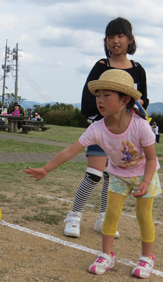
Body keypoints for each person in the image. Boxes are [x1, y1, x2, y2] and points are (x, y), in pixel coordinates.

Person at [24, 69, 161, 279]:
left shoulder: (141, 126)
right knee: (111, 214)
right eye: (98, 95)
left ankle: (146, 258)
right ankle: (107, 255)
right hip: (118, 176)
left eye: (107, 95)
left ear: (124, 99)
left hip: (144, 176)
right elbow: (71, 150)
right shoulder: (97, 128)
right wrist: (46, 169)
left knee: (143, 217)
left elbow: (151, 159)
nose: (100, 100)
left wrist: (146, 180)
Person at [63, 17, 149, 239]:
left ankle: (103, 218)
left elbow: (142, 101)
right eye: (110, 37)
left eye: (120, 36)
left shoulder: (138, 70)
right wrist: (102, 118)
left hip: (127, 132)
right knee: (94, 174)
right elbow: (88, 100)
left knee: (112, 177)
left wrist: (134, 117)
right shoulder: (102, 66)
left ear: (130, 39)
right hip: (102, 129)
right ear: (105, 41)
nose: (115, 41)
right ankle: (74, 216)